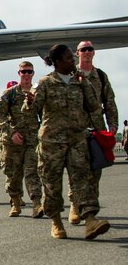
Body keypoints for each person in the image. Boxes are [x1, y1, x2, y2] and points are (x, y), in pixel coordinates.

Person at [23, 44, 109, 239]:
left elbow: (94, 105)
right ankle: (56, 222)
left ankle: (90, 221)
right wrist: (28, 102)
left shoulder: (79, 81)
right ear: (58, 62)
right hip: (51, 143)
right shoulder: (45, 83)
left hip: (77, 140)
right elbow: (31, 110)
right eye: (70, 58)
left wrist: (84, 83)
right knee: (51, 184)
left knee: (83, 180)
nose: (73, 61)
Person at [66, 41, 119, 225]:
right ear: (77, 53)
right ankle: (74, 205)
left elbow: (109, 102)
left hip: (96, 128)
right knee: (76, 169)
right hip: (76, 129)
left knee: (95, 169)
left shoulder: (101, 76)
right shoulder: (70, 76)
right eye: (83, 50)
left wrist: (112, 125)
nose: (87, 52)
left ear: (93, 53)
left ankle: (91, 211)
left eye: (90, 49)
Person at [0, 63, 43, 217]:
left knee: (32, 171)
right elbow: (0, 116)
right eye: (23, 72)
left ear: (33, 73)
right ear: (19, 73)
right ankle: (15, 202)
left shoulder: (38, 93)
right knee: (13, 174)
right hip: (13, 141)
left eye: (29, 72)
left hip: (32, 139)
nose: (26, 74)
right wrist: (11, 133)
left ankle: (36, 203)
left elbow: (45, 114)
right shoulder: (10, 93)